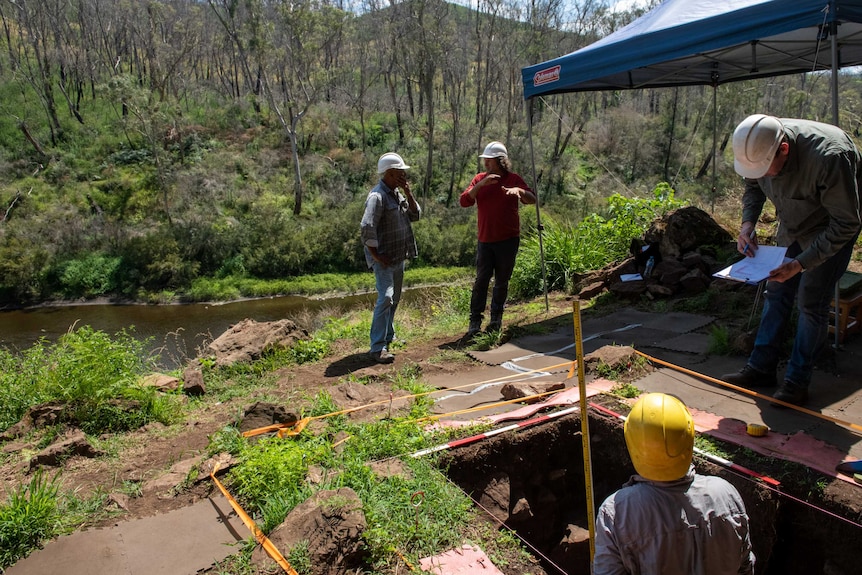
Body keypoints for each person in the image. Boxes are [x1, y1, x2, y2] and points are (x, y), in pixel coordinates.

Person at [721, 114, 862, 406]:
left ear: (784, 149)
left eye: (767, 170)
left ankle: (797, 382)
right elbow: (753, 187)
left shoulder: (830, 157)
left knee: (811, 302)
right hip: (793, 223)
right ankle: (760, 368)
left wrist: (800, 263)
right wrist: (748, 224)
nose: (764, 175)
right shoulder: (756, 145)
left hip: (831, 228)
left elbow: (846, 223)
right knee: (776, 290)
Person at [593, 393, 754, 575]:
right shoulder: (726, 494)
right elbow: (745, 567)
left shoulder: (616, 512)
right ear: (689, 437)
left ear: (633, 444)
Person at [460, 141, 536, 337]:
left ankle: (496, 319)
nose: (485, 162)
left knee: (502, 281)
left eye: (488, 159)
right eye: (485, 159)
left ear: (499, 161)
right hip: (485, 240)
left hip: (508, 240)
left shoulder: (514, 179)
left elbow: (532, 199)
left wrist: (519, 192)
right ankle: (475, 322)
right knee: (481, 281)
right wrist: (482, 184)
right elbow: (464, 201)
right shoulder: (479, 179)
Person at [360, 152, 421, 363]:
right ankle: (378, 348)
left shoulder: (398, 194)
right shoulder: (377, 197)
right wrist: (376, 255)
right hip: (385, 260)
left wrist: (409, 193)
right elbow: (367, 227)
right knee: (385, 298)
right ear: (388, 173)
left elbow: (415, 216)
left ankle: (389, 335)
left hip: (398, 257)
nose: (403, 176)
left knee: (394, 299)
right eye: (399, 173)